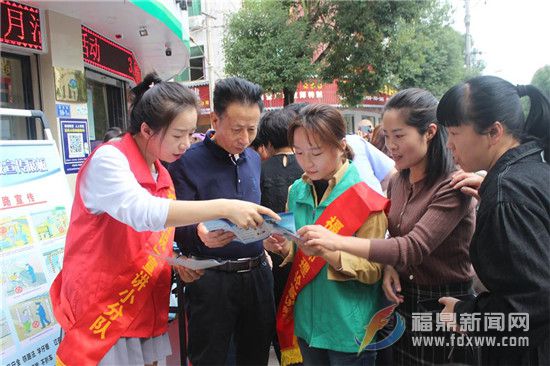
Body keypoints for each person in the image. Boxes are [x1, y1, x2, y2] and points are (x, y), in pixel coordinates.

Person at [50, 73, 278, 366]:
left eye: (190, 133)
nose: (186, 144)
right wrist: (224, 206)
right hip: (103, 307)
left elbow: (156, 236)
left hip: (142, 302)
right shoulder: (109, 160)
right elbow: (143, 212)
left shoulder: (161, 170)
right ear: (147, 129)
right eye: (178, 135)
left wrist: (179, 258)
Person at [299, 89, 478, 365]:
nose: (390, 145)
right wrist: (391, 267)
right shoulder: (399, 181)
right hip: (402, 299)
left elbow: (411, 247)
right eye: (387, 136)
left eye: (399, 136)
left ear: (429, 132)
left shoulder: (452, 186)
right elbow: (395, 236)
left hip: (444, 303)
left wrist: (335, 241)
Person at [437, 76, 550, 365]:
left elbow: (533, 300)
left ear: (494, 132)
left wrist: (464, 314)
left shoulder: (508, 194)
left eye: (454, 132)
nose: (449, 145)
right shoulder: (534, 168)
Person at [265, 104, 389, 366]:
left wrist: (328, 252)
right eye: (299, 152)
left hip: (349, 328)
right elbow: (296, 248)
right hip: (308, 325)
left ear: (341, 145)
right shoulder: (297, 190)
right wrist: (281, 245)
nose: (307, 162)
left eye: (316, 153)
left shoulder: (366, 199)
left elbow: (373, 269)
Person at [168, 77, 275, 365]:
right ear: (215, 118)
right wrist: (197, 231)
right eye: (237, 128)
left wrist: (268, 237)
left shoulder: (253, 158)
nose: (244, 138)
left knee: (255, 355)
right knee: (211, 357)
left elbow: (257, 210)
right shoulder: (186, 162)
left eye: (252, 129)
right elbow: (173, 222)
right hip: (211, 280)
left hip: (256, 275)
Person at [255, 109, 304, 362]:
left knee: (279, 312)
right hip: (306, 255)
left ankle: (287, 356)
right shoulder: (308, 167)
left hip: (272, 253)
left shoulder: (259, 169)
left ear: (268, 142)